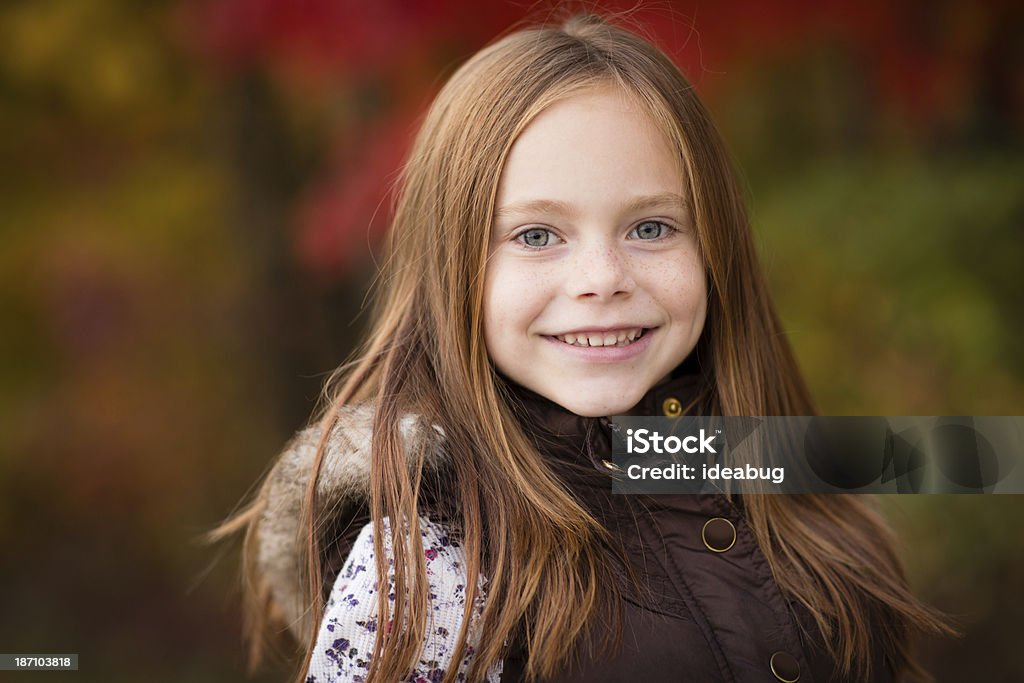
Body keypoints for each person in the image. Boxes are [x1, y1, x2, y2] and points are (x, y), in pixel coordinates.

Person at [216, 14, 950, 683]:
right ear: (453, 270)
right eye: (537, 235)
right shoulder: (424, 564)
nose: (602, 279)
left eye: (652, 227)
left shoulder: (812, 500)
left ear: (715, 245)